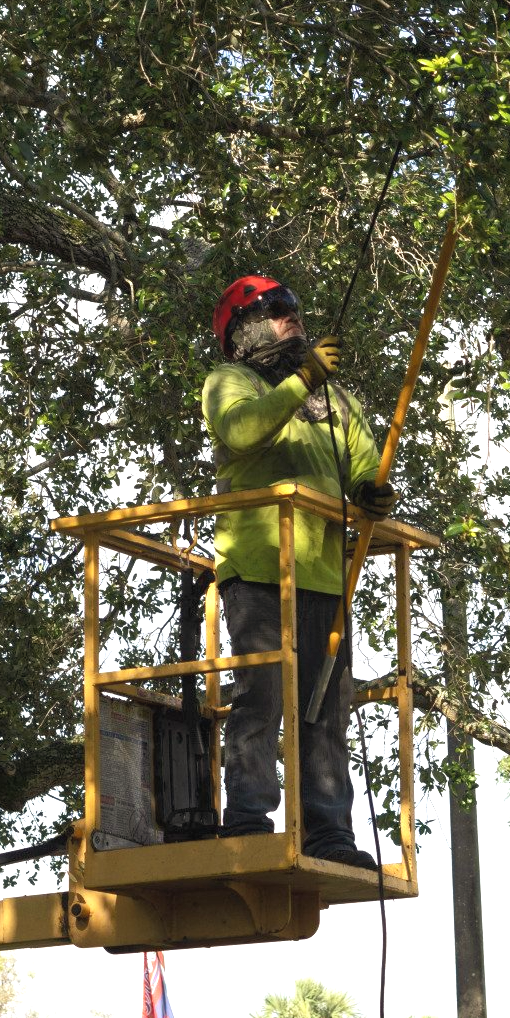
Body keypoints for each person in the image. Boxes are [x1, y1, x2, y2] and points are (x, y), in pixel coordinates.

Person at [201, 275, 398, 870]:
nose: (293, 317)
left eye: (292, 308)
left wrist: (371, 491)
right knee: (262, 697)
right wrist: (304, 377)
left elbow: (365, 461)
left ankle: (329, 831)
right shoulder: (229, 380)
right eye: (276, 309)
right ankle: (249, 822)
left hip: (324, 575)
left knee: (326, 707)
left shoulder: (335, 402)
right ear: (244, 329)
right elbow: (240, 430)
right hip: (260, 569)